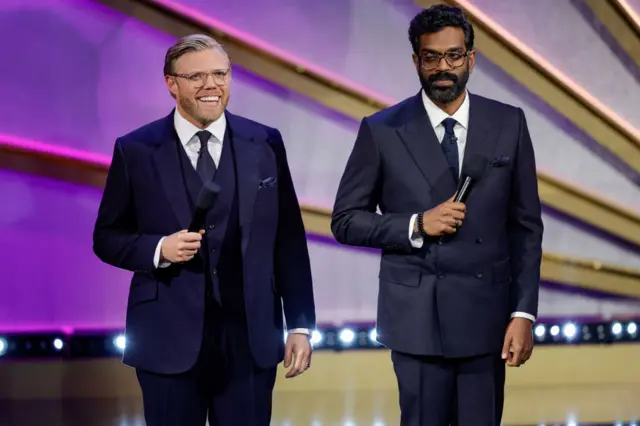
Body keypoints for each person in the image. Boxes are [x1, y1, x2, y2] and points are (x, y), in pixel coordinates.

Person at [331, 5, 543, 426]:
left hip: (486, 317)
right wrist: (415, 225)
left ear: (471, 59)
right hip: (416, 321)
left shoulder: (508, 123)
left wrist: (523, 313)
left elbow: (526, 227)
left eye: (454, 56)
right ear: (416, 61)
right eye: (431, 57)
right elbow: (346, 219)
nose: (443, 67)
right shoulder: (382, 130)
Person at [92, 34, 315, 426]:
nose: (212, 85)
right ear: (171, 83)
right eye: (197, 77)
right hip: (166, 340)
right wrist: (159, 249)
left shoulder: (264, 142)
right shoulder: (136, 149)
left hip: (250, 341)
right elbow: (107, 237)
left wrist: (299, 324)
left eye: (220, 74)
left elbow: (289, 240)